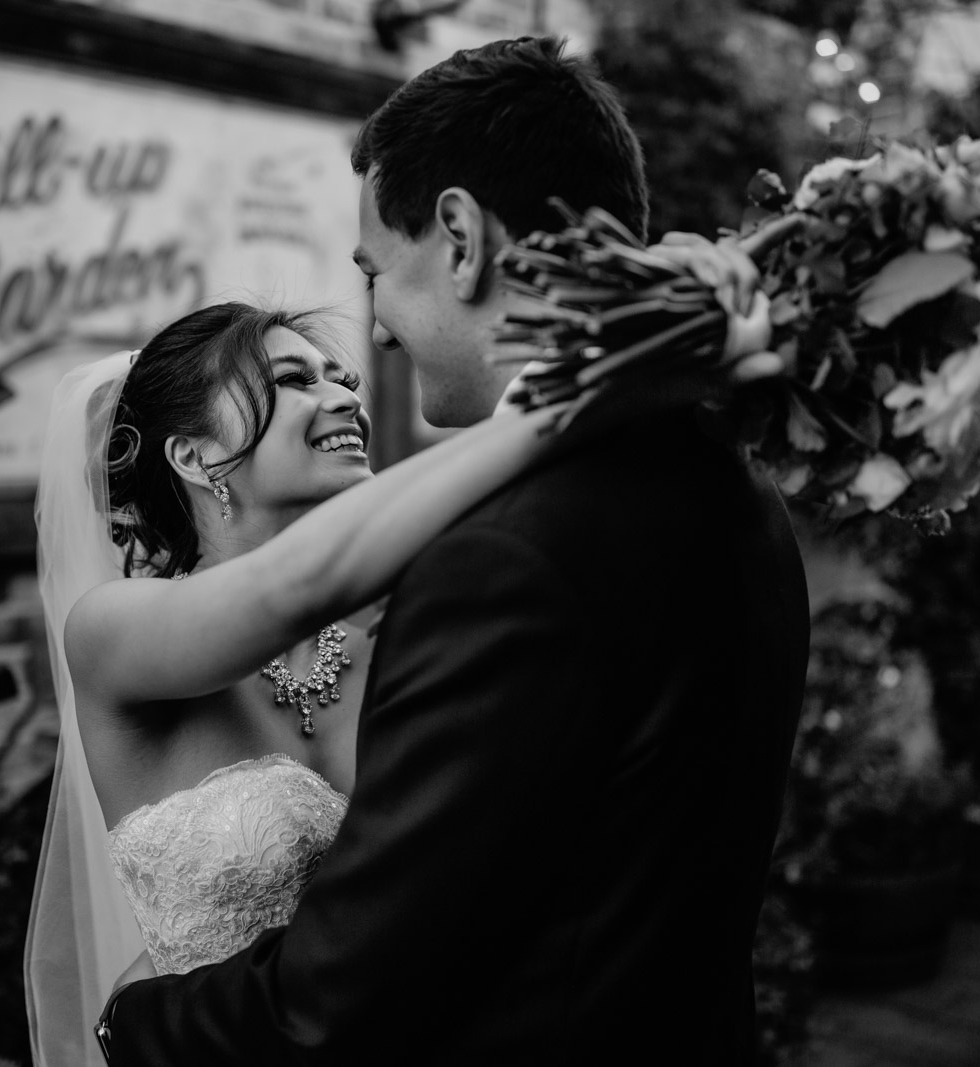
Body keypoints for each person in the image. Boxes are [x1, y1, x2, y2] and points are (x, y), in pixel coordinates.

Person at [93, 35, 809, 1066]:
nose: (369, 345)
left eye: (374, 274)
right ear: (193, 454)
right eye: (295, 380)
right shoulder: (735, 490)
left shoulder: (500, 565)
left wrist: (130, 1027)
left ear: (462, 239)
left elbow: (357, 992)